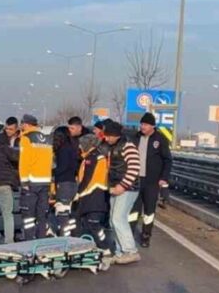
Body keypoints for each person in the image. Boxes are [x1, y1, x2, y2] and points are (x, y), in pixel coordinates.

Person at [130, 112, 173, 247]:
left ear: (152, 126)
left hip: (151, 181)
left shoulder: (160, 139)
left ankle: (146, 235)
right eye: (141, 124)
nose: (142, 127)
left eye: (145, 125)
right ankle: (129, 233)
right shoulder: (135, 138)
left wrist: (163, 178)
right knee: (133, 209)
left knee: (149, 211)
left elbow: (167, 160)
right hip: (136, 180)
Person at [103, 120, 141, 264]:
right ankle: (119, 252)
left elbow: (134, 167)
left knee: (119, 218)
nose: (106, 139)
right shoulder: (112, 148)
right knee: (113, 220)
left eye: (108, 136)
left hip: (127, 189)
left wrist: (123, 186)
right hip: (115, 187)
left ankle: (131, 251)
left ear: (115, 135)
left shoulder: (128, 147)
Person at [73, 127, 111, 249]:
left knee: (93, 224)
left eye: (81, 145)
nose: (79, 147)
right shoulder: (95, 156)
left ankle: (104, 246)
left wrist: (78, 192)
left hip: (93, 195)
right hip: (95, 195)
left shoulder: (92, 158)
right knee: (80, 220)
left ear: (87, 145)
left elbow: (87, 178)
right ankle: (80, 244)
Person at [17, 114, 53, 240]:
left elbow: (24, 161)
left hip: (31, 182)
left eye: (22, 124)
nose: (21, 127)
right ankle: (41, 242)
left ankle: (28, 242)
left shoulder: (26, 138)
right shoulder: (47, 139)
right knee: (42, 215)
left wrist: (24, 182)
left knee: (28, 216)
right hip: (45, 182)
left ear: (26, 124)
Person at [51, 126, 79, 236]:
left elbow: (62, 167)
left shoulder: (63, 150)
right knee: (69, 214)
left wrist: (52, 172)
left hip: (64, 184)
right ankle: (71, 236)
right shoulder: (72, 148)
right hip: (72, 183)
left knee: (62, 214)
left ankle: (65, 240)